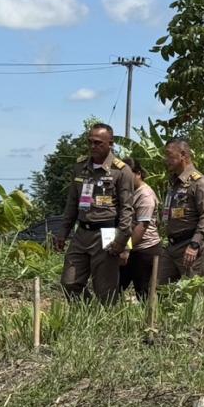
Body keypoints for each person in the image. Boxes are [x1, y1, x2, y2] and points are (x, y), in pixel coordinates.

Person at [56, 123, 136, 303]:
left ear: (110, 143)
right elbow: (71, 203)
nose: (93, 146)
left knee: (105, 290)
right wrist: (63, 232)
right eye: (90, 142)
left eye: (98, 143)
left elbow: (127, 210)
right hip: (81, 233)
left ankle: (106, 324)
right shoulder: (80, 167)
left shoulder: (121, 171)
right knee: (69, 282)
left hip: (107, 234)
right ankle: (86, 312)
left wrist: (122, 242)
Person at [160, 138, 204, 282]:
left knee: (192, 293)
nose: (166, 160)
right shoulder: (174, 182)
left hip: (190, 246)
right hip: (172, 246)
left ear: (183, 155)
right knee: (158, 287)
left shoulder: (199, 182)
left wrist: (194, 244)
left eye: (169, 155)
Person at [118, 159, 161, 301]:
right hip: (127, 246)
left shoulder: (145, 195)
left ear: (138, 174)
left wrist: (126, 248)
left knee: (144, 292)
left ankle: (148, 321)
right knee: (114, 288)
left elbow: (141, 227)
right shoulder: (126, 192)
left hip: (144, 249)